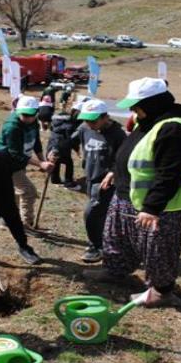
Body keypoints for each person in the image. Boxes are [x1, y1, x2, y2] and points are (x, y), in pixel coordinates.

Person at [84, 77, 181, 308]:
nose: (133, 110)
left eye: (137, 105)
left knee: (158, 249)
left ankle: (162, 291)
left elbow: (169, 174)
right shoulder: (148, 121)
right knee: (116, 237)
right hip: (128, 195)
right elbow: (134, 151)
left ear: (154, 103)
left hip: (163, 206)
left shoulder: (174, 128)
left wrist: (152, 208)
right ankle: (115, 271)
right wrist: (116, 172)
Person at [70, 99, 127, 263]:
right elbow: (71, 140)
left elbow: (124, 158)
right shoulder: (84, 128)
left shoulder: (117, 134)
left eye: (93, 120)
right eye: (86, 120)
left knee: (91, 214)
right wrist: (56, 150)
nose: (89, 124)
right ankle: (102, 243)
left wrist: (113, 172)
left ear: (105, 117)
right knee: (100, 214)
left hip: (106, 182)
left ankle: (96, 246)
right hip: (90, 178)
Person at [0, 95, 54, 227]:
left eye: (30, 115)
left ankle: (7, 220)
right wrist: (40, 164)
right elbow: (15, 153)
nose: (27, 118)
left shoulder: (33, 121)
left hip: (20, 162)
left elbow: (36, 142)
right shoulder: (12, 127)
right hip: (7, 163)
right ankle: (25, 224)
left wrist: (42, 160)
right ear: (18, 111)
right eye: (24, 114)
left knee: (15, 191)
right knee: (29, 191)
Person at [47, 102, 80, 188]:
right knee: (69, 163)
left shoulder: (57, 120)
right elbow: (72, 139)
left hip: (52, 144)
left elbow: (51, 129)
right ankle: (68, 182)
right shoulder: (71, 124)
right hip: (62, 146)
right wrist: (77, 148)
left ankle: (55, 180)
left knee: (56, 162)